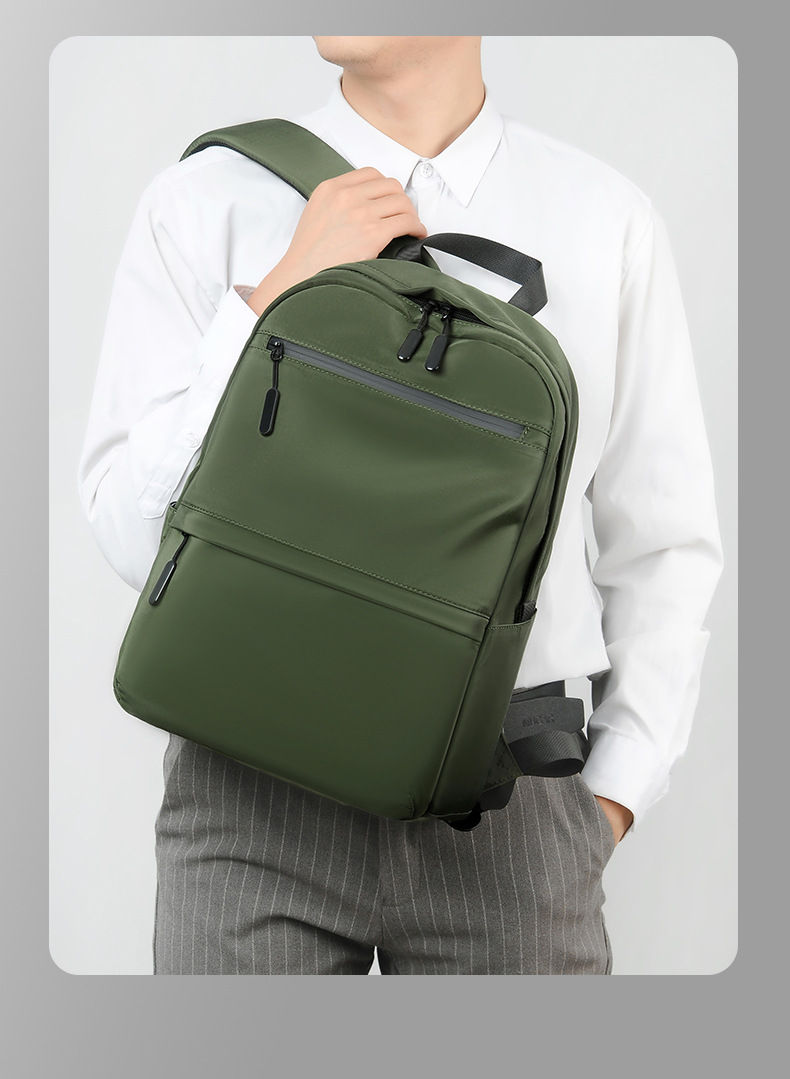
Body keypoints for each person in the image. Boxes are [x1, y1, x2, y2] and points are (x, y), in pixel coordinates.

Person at [77, 36, 722, 975]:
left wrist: (611, 799)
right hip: (250, 792)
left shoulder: (605, 218)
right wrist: (275, 297)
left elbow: (661, 541)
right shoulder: (208, 198)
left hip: (510, 802)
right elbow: (132, 536)